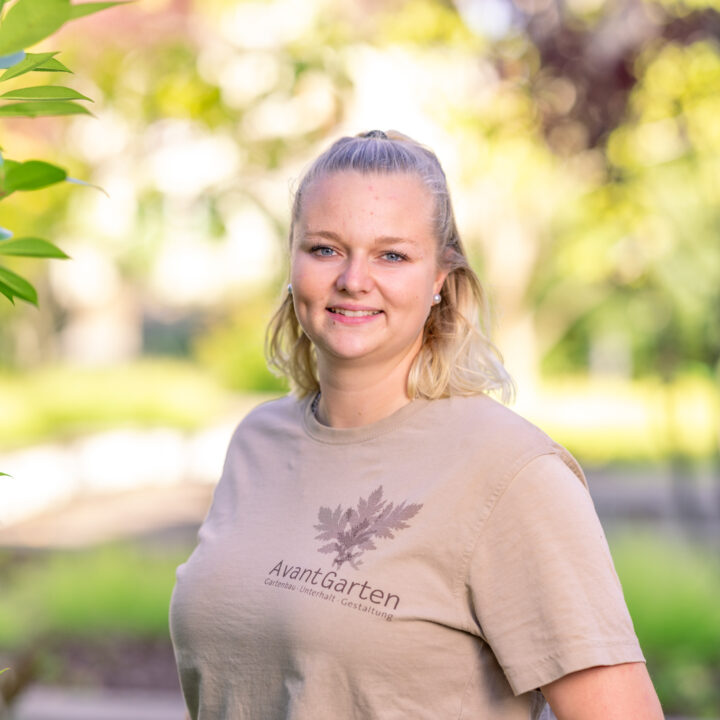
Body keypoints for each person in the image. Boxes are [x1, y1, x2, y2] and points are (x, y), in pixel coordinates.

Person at [169, 130, 664, 719]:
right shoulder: (258, 441)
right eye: (325, 248)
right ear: (293, 262)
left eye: (392, 255)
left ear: (440, 279)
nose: (354, 279)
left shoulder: (511, 472)